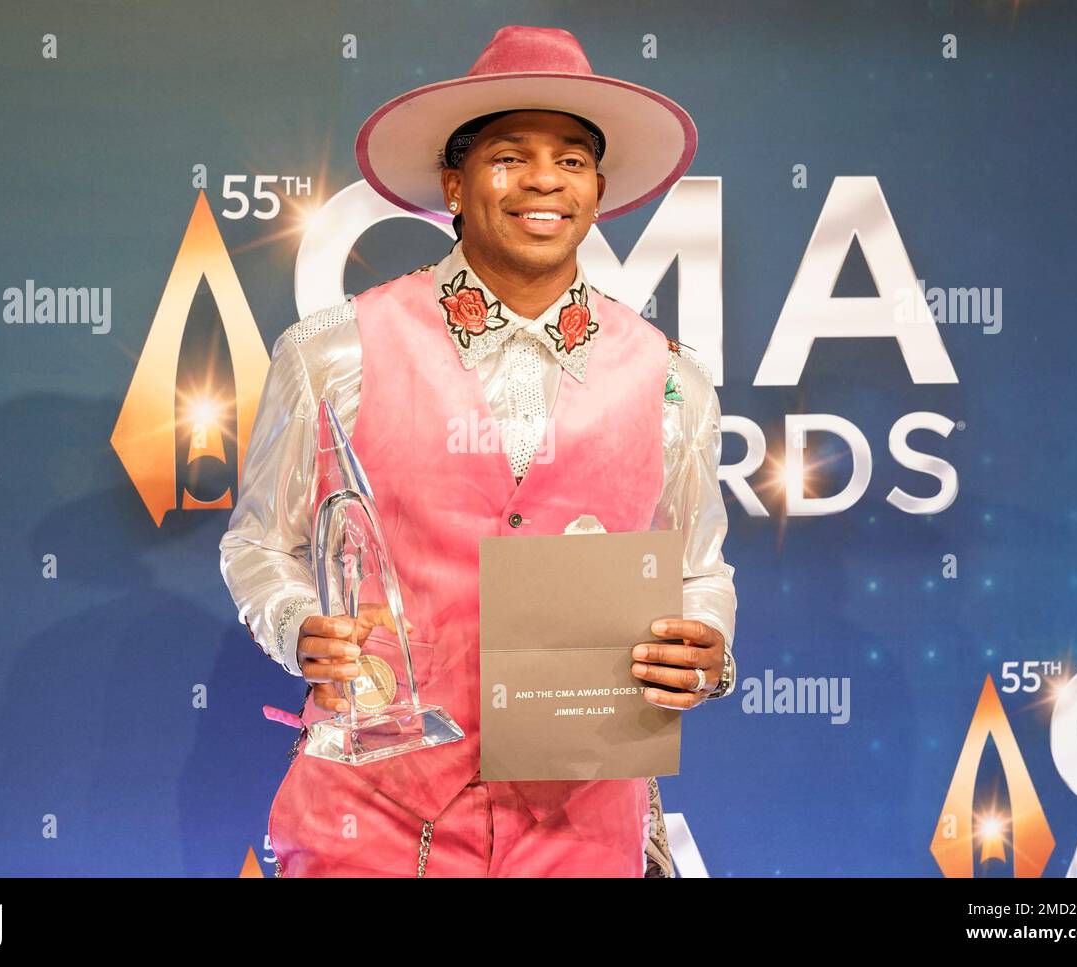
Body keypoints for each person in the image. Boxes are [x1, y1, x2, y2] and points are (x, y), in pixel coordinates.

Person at [219, 25, 737, 877]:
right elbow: (260, 543)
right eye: (511, 155)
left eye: (572, 160)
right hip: (375, 814)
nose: (544, 179)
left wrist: (706, 644)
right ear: (454, 185)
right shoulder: (333, 352)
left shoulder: (671, 378)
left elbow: (700, 568)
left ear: (598, 192)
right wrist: (294, 626)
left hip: (583, 823)